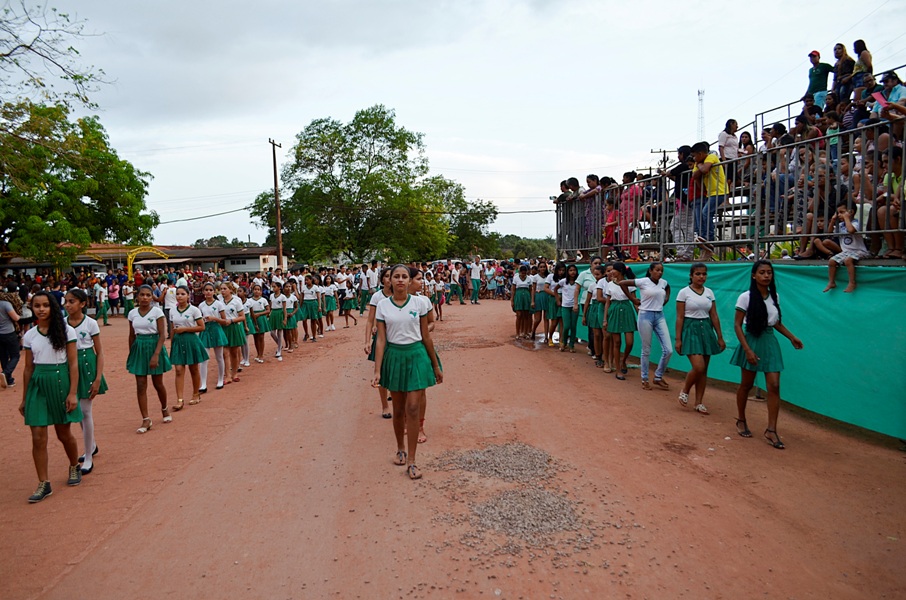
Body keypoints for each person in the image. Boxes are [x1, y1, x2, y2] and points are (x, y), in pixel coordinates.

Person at [372, 265, 442, 481]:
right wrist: (377, 370)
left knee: (413, 407)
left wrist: (435, 365)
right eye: (396, 276)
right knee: (399, 409)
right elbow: (381, 339)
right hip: (394, 357)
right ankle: (400, 449)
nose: (400, 280)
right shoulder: (383, 305)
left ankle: (412, 461)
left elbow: (426, 335)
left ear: (409, 281)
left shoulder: (419, 303)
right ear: (389, 280)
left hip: (416, 356)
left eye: (404, 276)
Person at [731, 260, 804, 449]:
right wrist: (747, 349)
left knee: (774, 385)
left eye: (769, 272)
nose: (766, 276)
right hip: (752, 341)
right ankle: (741, 419)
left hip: (770, 342)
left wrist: (791, 337)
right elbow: (737, 325)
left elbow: (776, 322)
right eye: (762, 272)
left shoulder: (774, 296)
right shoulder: (745, 297)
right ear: (754, 275)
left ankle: (771, 430)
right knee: (746, 385)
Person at [18, 292, 82, 502]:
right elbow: (28, 368)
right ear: (32, 308)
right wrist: (25, 398)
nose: (41, 309)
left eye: (45, 305)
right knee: (38, 436)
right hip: (38, 384)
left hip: (59, 381)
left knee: (63, 433)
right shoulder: (30, 335)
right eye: (37, 306)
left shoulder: (66, 330)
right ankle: (43, 483)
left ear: (52, 307)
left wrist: (72, 393)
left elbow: (73, 363)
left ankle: (74, 465)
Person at [63, 289, 107, 476]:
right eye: (66, 301)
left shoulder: (90, 323)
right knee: (78, 411)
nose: (67, 305)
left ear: (82, 304)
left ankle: (88, 456)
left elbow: (99, 352)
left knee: (86, 411)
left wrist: (97, 378)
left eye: (72, 301)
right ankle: (92, 445)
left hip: (87, 365)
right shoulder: (62, 324)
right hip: (69, 366)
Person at [674, 264, 725, 414]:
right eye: (698, 274)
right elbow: (679, 317)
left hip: (706, 329)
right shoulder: (683, 293)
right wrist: (678, 339)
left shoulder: (709, 292)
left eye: (704, 274)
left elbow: (714, 315)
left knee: (704, 370)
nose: (701, 277)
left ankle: (699, 402)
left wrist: (720, 336)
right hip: (690, 329)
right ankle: (685, 390)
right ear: (691, 276)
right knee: (698, 367)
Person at [126, 285, 172, 434]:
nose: (145, 298)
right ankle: (146, 419)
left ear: (152, 297)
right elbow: (131, 335)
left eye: (148, 295)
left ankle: (164, 408)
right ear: (137, 296)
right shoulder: (132, 313)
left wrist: (156, 355)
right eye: (142, 295)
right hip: (139, 347)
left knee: (158, 383)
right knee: (140, 385)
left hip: (154, 345)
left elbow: (162, 335)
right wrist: (132, 353)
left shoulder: (157, 312)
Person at [619, 262, 672, 390]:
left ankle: (658, 376)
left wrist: (666, 299)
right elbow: (622, 283)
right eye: (657, 270)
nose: (660, 273)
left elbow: (667, 288)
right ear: (651, 270)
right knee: (646, 349)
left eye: (661, 270)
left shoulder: (663, 283)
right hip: (645, 315)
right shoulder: (643, 281)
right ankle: (645, 378)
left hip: (659, 315)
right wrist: (633, 299)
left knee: (668, 350)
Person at [168, 286, 206, 410]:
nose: (179, 296)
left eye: (183, 294)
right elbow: (172, 328)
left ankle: (196, 394)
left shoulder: (194, 310)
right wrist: (172, 343)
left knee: (193, 368)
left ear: (188, 295)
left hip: (191, 340)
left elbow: (201, 327)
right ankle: (180, 399)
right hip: (178, 341)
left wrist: (185, 329)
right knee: (179, 369)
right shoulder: (172, 311)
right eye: (178, 294)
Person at [824, 201, 872, 292]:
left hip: (859, 251)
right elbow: (829, 233)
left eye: (841, 212)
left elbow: (851, 230)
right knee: (831, 261)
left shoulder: (856, 223)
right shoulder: (840, 225)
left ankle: (852, 282)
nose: (839, 215)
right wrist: (833, 220)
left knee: (848, 260)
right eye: (838, 213)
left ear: (851, 212)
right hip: (846, 252)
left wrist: (846, 218)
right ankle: (831, 282)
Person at [691, 141, 727, 261]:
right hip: (709, 193)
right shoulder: (698, 163)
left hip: (719, 191)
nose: (694, 159)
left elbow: (705, 170)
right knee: (702, 217)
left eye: (695, 156)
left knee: (706, 212)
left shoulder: (712, 156)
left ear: (701, 154)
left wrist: (701, 167)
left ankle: (709, 240)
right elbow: (695, 176)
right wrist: (700, 167)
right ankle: (705, 247)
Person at [365, 268, 393, 418]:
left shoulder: (401, 295)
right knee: (381, 370)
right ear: (382, 280)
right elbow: (370, 320)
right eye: (386, 276)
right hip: (381, 337)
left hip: (396, 337)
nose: (389, 279)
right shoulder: (377, 297)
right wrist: (367, 341)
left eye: (392, 276)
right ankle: (385, 406)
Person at [606, 263, 638, 380]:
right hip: (614, 310)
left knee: (629, 342)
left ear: (620, 271)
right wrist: (605, 319)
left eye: (614, 270)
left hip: (627, 310)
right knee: (617, 342)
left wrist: (639, 314)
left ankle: (623, 360)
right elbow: (608, 302)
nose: (612, 272)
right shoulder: (609, 284)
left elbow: (634, 301)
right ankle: (618, 370)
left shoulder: (630, 284)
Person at [197, 282, 228, 392]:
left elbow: (224, 321)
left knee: (219, 356)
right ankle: (203, 384)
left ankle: (220, 379)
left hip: (216, 329)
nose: (208, 292)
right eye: (206, 290)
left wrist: (214, 318)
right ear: (203, 292)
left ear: (214, 291)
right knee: (204, 358)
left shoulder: (219, 304)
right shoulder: (201, 305)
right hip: (205, 330)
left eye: (211, 290)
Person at [582, 264, 607, 368]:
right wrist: (584, 315)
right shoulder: (592, 285)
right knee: (596, 334)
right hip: (593, 308)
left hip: (604, 308)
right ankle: (598, 356)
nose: (596, 277)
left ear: (603, 274)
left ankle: (606, 357)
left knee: (604, 335)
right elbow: (587, 301)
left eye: (598, 274)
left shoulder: (607, 284)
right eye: (595, 274)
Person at [219, 282, 245, 383]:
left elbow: (242, 317)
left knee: (234, 352)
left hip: (234, 327)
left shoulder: (236, 301)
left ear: (230, 290)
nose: (222, 291)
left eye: (225, 289)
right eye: (221, 289)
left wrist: (231, 320)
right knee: (225, 353)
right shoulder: (219, 301)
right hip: (223, 327)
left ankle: (234, 373)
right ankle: (227, 375)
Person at [553, 264, 580, 352]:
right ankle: (564, 342)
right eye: (570, 270)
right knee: (566, 326)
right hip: (565, 306)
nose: (573, 272)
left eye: (574, 270)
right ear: (567, 272)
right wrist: (557, 300)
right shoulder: (563, 281)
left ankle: (571, 345)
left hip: (575, 306)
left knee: (573, 326)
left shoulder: (578, 282)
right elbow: (555, 289)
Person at [0, 283, 21, 389]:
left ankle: (8, 380)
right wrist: (19, 315)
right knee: (15, 355)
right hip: (9, 332)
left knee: (3, 356)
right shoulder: (5, 304)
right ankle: (6, 373)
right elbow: (16, 318)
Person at [247, 284, 271, 362]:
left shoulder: (263, 300)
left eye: (258, 289)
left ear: (261, 291)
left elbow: (268, 310)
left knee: (261, 337)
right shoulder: (249, 300)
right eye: (255, 289)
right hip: (253, 318)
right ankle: (258, 353)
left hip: (261, 318)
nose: (256, 291)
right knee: (255, 337)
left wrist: (259, 314)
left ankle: (261, 354)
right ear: (252, 291)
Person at [530, 262, 553, 343]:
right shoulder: (535, 277)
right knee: (538, 319)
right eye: (541, 267)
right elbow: (533, 289)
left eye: (544, 267)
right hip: (538, 296)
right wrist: (532, 301)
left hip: (547, 296)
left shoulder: (549, 276)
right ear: (538, 268)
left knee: (546, 318)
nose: (542, 268)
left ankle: (546, 337)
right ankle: (533, 331)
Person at [510, 264, 534, 340]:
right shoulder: (516, 278)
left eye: (525, 273)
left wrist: (532, 300)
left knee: (526, 315)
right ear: (520, 272)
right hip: (518, 296)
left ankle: (526, 332)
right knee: (519, 315)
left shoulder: (529, 279)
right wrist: (512, 300)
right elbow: (513, 290)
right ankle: (518, 332)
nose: (523, 275)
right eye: (522, 273)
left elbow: (531, 290)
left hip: (526, 297)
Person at [718, 119, 740, 186]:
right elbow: (721, 147)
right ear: (731, 124)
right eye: (736, 124)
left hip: (734, 159)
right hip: (727, 158)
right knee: (728, 178)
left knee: (733, 178)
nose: (737, 126)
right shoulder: (724, 134)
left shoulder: (734, 136)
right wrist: (724, 160)